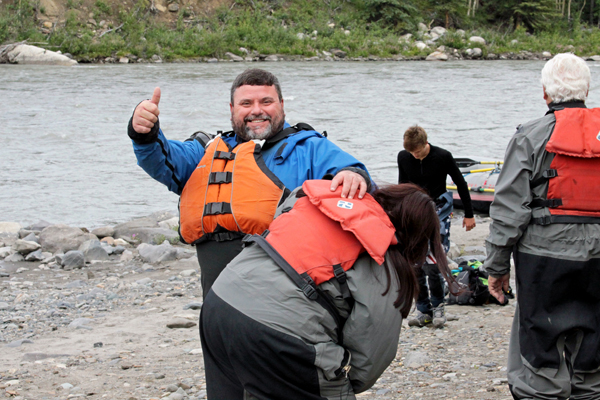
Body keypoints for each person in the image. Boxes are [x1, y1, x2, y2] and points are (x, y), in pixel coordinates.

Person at [199, 179, 456, 399]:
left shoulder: (317, 202)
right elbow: (367, 364)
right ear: (417, 238)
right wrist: (334, 379)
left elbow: (291, 200)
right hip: (277, 335)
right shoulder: (386, 265)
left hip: (219, 302)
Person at [128, 69, 371, 298]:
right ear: (232, 109)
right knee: (221, 337)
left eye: (266, 102)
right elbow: (162, 159)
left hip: (286, 278)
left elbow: (349, 170)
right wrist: (145, 133)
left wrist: (353, 174)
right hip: (218, 277)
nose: (257, 111)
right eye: (246, 104)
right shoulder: (205, 150)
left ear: (281, 105)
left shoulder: (308, 147)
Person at [484, 53, 600, 399]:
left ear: (545, 95)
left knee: (539, 344)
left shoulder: (529, 137)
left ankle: (543, 392)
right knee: (595, 342)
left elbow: (508, 210)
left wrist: (496, 267)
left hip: (544, 257)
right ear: (588, 90)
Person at [397, 125, 476, 328]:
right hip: (414, 212)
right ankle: (423, 309)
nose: (414, 156)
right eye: (410, 152)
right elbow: (401, 186)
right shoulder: (404, 157)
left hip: (438, 211)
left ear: (426, 143)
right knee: (415, 264)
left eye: (417, 151)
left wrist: (468, 214)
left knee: (434, 263)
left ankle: (438, 306)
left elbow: (460, 183)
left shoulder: (443, 156)